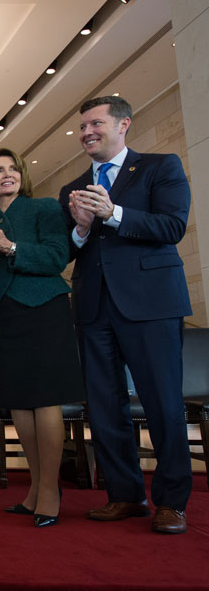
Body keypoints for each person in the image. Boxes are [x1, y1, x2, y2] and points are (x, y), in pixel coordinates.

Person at [59, 95, 192, 534]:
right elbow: (69, 250)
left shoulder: (160, 167)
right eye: (81, 128)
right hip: (94, 306)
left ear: (123, 125)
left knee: (162, 403)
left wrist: (112, 213)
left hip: (150, 304)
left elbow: (172, 226)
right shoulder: (71, 189)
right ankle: (125, 495)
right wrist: (80, 227)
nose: (86, 133)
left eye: (95, 124)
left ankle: (171, 501)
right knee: (103, 406)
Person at [0, 148, 84, 528]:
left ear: (21, 175)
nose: (6, 174)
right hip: (6, 314)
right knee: (19, 401)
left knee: (45, 400)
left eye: (12, 168)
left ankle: (50, 491)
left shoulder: (44, 208)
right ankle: (35, 488)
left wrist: (11, 248)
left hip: (46, 310)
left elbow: (57, 257)